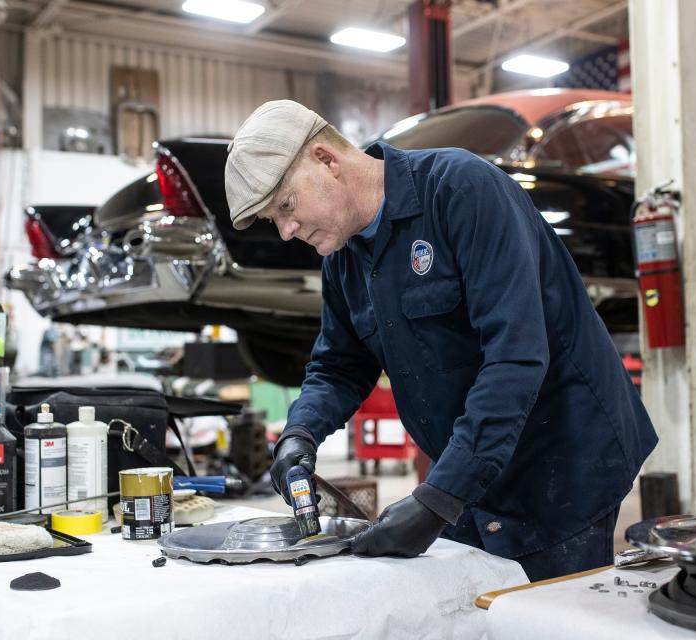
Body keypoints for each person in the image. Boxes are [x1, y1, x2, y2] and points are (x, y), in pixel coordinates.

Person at [224, 100, 658, 581]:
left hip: (561, 460)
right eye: (272, 220)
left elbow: (514, 357)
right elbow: (339, 365)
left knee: (544, 618)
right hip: (476, 466)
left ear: (327, 160)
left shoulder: (462, 191)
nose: (287, 232)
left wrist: (437, 500)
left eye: (286, 205)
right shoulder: (343, 258)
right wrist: (299, 434)